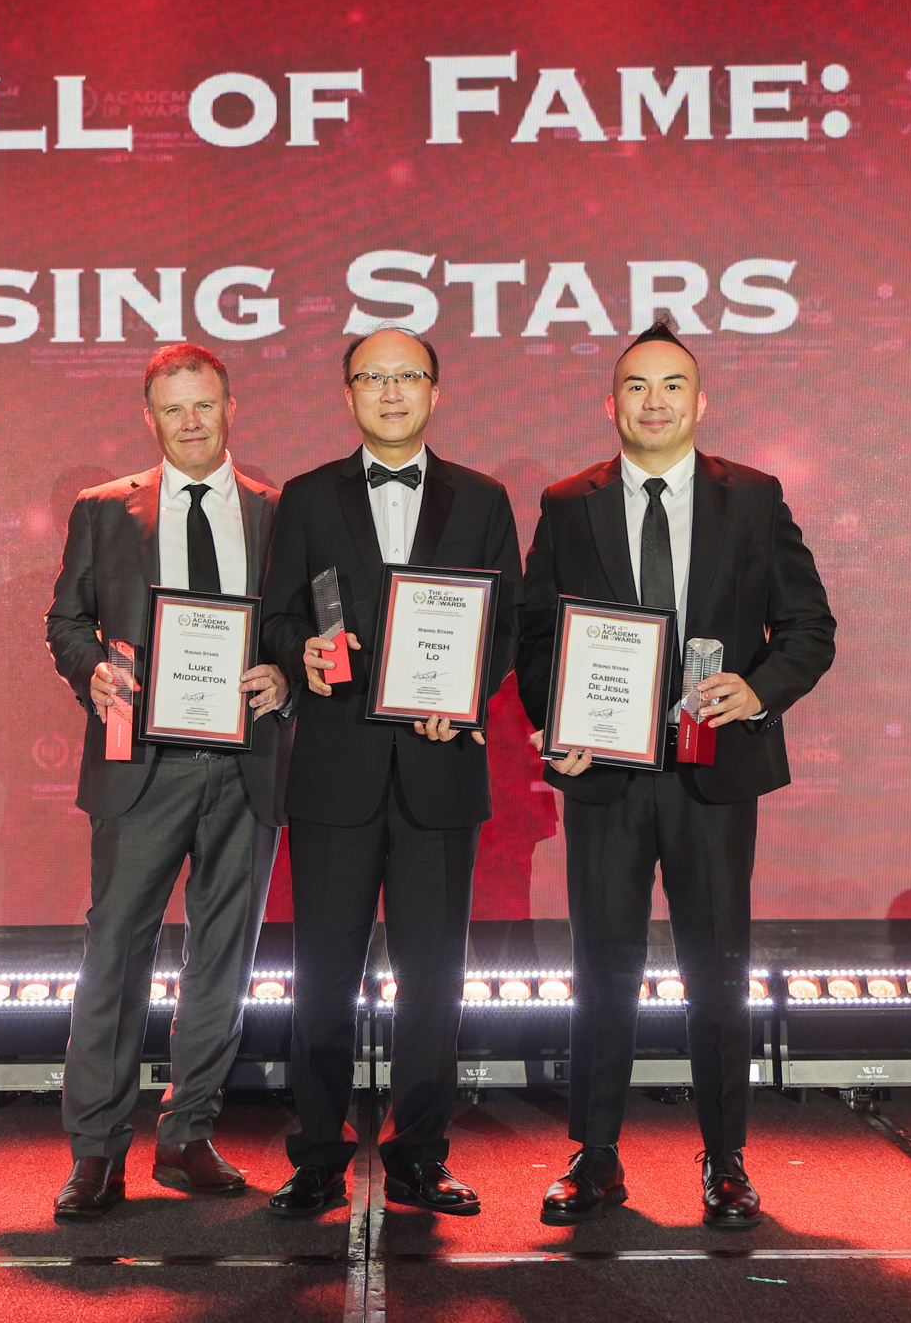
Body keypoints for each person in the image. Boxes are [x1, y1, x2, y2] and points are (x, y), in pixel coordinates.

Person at [516, 320, 835, 1229]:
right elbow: (535, 636)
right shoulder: (567, 503)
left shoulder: (754, 497)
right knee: (601, 968)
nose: (653, 402)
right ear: (611, 403)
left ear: (700, 403)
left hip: (713, 772)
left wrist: (758, 690)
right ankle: (594, 1155)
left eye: (671, 386)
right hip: (605, 775)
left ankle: (726, 1160)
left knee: (717, 969)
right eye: (636, 387)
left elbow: (809, 628)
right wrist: (557, 722)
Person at [258, 327, 522, 1217]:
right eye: (373, 377)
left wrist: (468, 695)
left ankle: (419, 1154)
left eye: (409, 375)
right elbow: (277, 618)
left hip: (439, 771)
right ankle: (317, 1154)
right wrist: (302, 651)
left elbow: (506, 624)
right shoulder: (306, 497)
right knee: (322, 980)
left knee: (434, 980)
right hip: (335, 772)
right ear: (348, 395)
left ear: (436, 391)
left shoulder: (483, 499)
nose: (392, 390)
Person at [42, 343, 293, 1219]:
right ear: (149, 417)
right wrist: (91, 672)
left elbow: (304, 627)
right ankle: (96, 1152)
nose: (191, 421)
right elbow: (66, 620)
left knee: (222, 957)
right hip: (139, 766)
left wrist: (287, 676)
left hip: (245, 765)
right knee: (116, 954)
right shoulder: (102, 510)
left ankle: (188, 1134)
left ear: (231, 409)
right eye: (173, 407)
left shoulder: (277, 512)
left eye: (205, 404)